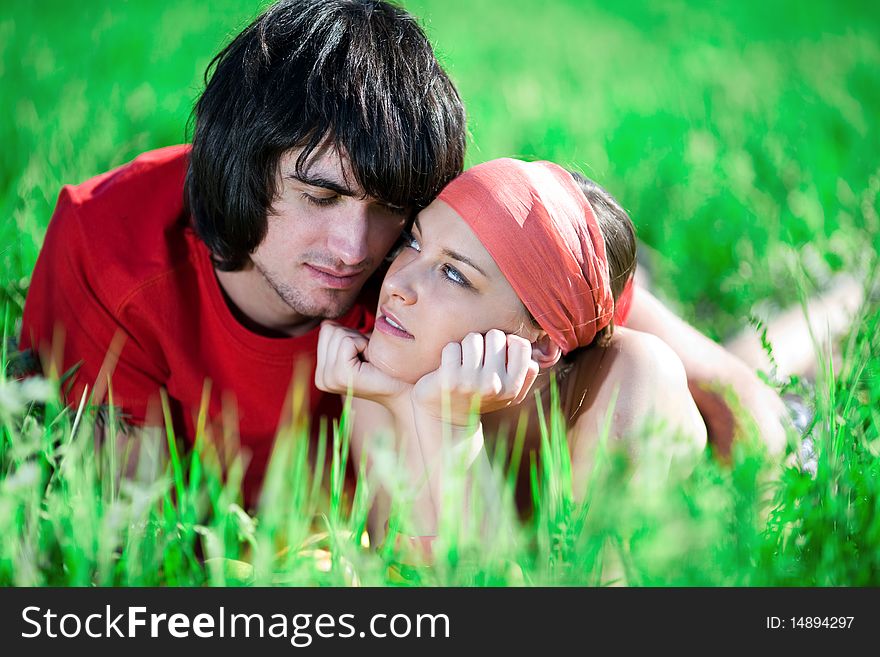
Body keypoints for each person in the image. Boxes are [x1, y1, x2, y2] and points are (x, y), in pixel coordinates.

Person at [19, 0, 788, 508]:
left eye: (390, 214)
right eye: (318, 197)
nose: (357, 250)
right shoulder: (110, 248)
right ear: (238, 160)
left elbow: (732, 393)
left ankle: (840, 300)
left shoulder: (426, 239)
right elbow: (127, 541)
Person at [315, 158, 708, 541]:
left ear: (539, 343)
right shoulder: (391, 371)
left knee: (755, 354)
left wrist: (451, 429)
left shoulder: (633, 377)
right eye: (414, 242)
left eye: (454, 274)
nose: (398, 282)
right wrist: (405, 404)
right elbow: (414, 572)